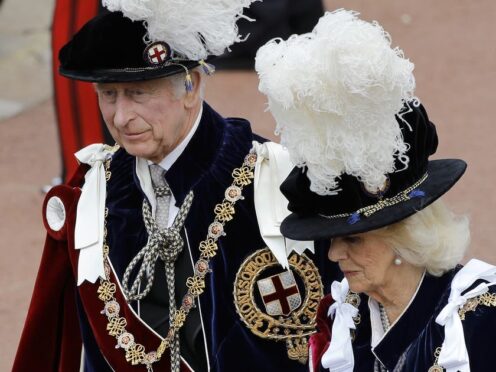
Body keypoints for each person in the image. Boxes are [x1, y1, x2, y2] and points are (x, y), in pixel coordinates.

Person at [13, 2, 335, 371]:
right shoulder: (95, 190)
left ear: (191, 85)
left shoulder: (274, 180)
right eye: (108, 94)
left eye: (138, 93)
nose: (121, 117)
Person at [255, 9, 496, 372]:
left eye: (352, 239)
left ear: (405, 236)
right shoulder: (344, 326)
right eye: (332, 239)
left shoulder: (480, 319)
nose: (333, 254)